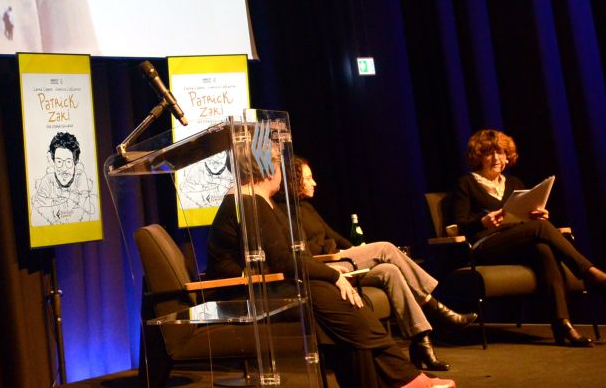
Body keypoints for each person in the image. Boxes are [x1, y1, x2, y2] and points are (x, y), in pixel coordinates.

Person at [206, 138, 454, 388]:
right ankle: (405, 378)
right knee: (327, 294)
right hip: (241, 295)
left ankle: (397, 379)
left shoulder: (257, 200)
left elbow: (293, 254)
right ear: (269, 169)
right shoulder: (248, 201)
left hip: (264, 285)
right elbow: (283, 260)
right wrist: (333, 276)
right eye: (279, 165)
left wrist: (329, 273)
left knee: (332, 298)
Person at [288, 157, 476, 371]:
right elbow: (305, 254)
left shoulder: (307, 208)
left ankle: (421, 343)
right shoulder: (287, 212)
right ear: (295, 181)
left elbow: (335, 237)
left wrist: (360, 251)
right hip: (324, 269)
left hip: (340, 260)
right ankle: (436, 308)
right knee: (385, 248)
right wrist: (342, 250)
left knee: (390, 270)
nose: (314, 183)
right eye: (308, 178)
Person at [449, 129, 606, 346]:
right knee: (540, 229)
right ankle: (591, 273)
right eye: (488, 153)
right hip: (483, 245)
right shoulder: (466, 183)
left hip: (516, 242)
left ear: (507, 157)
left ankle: (563, 324)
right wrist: (482, 222)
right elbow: (458, 225)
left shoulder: (514, 183)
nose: (496, 158)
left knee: (543, 248)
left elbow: (524, 216)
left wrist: (538, 215)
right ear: (478, 157)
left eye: (501, 152)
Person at [31, 131, 96, 224]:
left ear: (75, 162)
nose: (64, 168)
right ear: (53, 161)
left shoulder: (80, 177)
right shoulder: (47, 181)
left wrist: (53, 206)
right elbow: (36, 215)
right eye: (59, 162)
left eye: (68, 162)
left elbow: (86, 213)